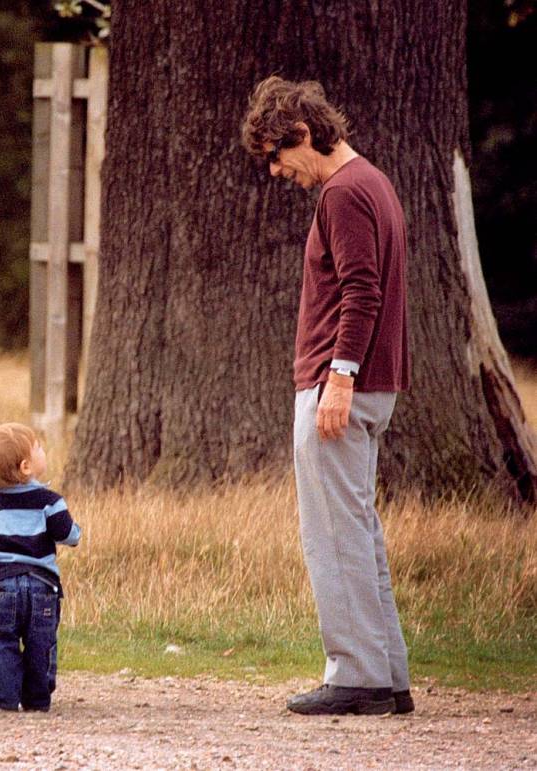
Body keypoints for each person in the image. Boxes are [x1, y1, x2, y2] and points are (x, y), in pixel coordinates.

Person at [241, 77, 414, 716]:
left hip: (340, 385)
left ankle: (357, 676)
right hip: (372, 383)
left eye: (276, 154)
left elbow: (361, 291)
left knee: (335, 533)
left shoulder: (342, 193)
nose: (276, 169)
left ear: (305, 134)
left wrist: (337, 377)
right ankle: (387, 674)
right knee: (360, 530)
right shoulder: (374, 181)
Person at [0, 422, 81, 712]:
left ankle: (2, 697)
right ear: (26, 466)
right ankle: (36, 699)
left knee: (1, 640)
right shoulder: (51, 502)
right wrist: (77, 532)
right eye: (38, 447)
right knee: (41, 642)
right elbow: (68, 535)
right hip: (42, 589)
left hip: (2, 590)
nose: (43, 450)